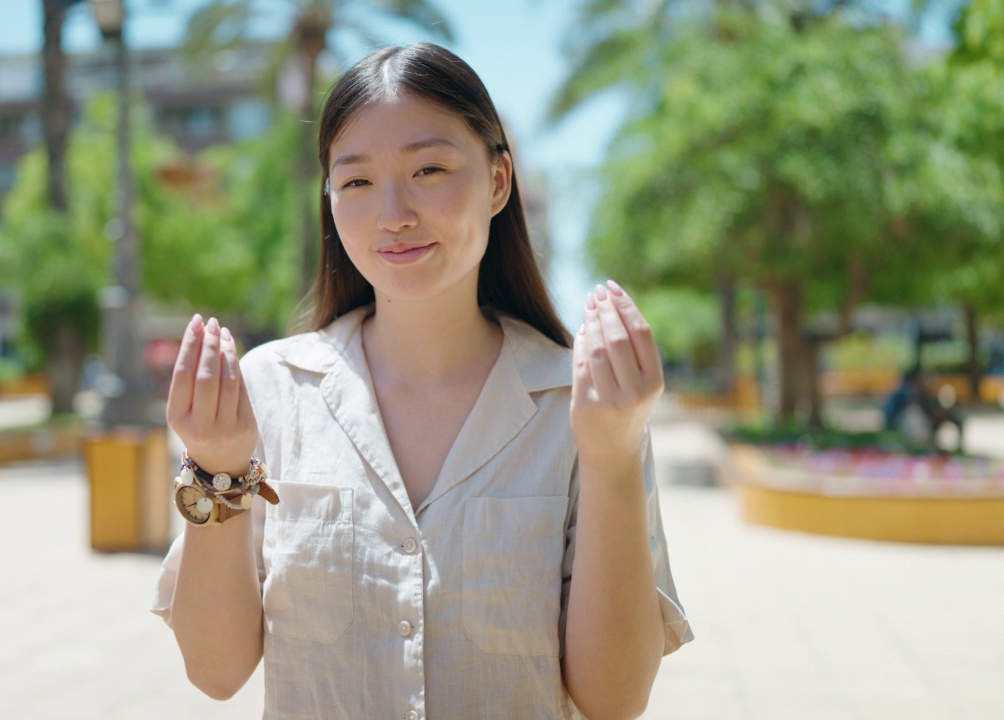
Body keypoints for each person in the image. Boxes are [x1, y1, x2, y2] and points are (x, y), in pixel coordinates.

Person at [152, 42, 691, 719]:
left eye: (429, 169)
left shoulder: (583, 404)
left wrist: (612, 459)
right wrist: (218, 469)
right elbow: (215, 670)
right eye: (356, 181)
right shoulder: (270, 392)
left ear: (499, 182)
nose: (393, 214)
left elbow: (614, 698)